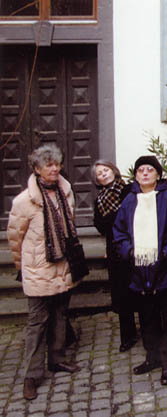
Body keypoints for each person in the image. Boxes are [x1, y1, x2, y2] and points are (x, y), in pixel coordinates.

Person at [7, 144, 81, 401]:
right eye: (48, 165)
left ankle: (57, 359)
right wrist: (23, 269)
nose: (54, 169)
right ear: (37, 169)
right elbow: (15, 239)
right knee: (36, 324)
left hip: (62, 266)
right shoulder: (24, 201)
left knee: (60, 315)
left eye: (57, 164)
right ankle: (31, 376)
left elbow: (70, 224)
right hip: (38, 269)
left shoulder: (66, 191)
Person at [113, 155, 167, 386]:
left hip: (166, 272)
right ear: (136, 176)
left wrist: (166, 254)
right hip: (139, 273)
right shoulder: (129, 201)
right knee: (147, 320)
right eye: (140, 171)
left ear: (158, 174)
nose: (145, 173)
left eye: (149, 170)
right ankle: (152, 357)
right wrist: (128, 251)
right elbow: (119, 232)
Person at [91, 160, 137, 353]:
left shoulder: (128, 190)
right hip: (114, 250)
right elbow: (100, 225)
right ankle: (128, 335)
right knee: (121, 293)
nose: (104, 174)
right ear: (97, 180)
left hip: (133, 245)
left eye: (106, 170)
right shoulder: (99, 200)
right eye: (99, 174)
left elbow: (130, 217)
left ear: (113, 170)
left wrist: (112, 220)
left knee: (140, 289)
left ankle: (150, 330)